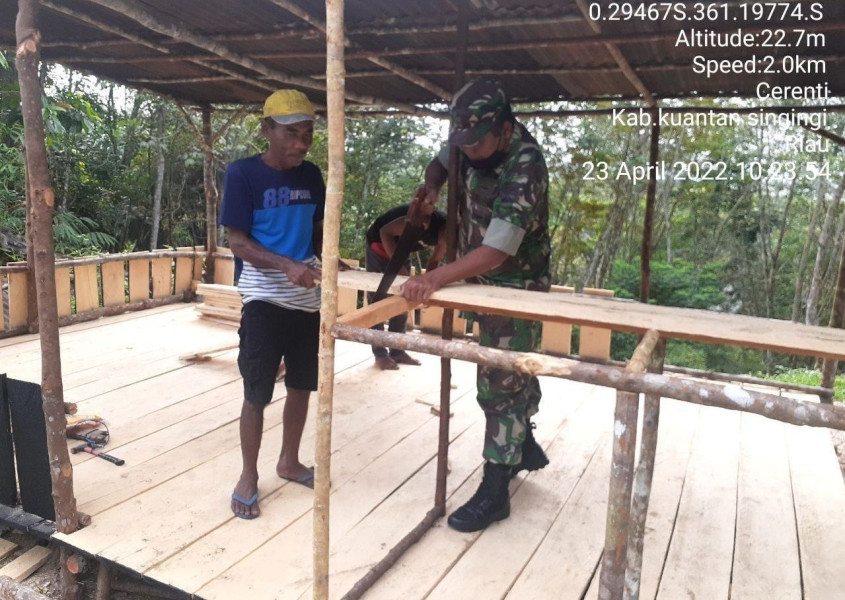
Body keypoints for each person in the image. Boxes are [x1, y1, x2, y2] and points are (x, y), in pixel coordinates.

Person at [400, 79, 551, 532]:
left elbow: (497, 250)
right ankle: (521, 445)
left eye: (478, 144)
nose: (470, 151)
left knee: (499, 382)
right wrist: (428, 190)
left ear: (504, 129)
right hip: (476, 280)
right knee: (510, 370)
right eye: (462, 142)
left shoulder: (526, 164)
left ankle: (495, 489)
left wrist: (433, 277)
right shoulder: (471, 136)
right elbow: (441, 162)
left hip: (513, 284)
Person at [220, 89, 324, 519]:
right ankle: (248, 474)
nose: (301, 143)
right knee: (257, 390)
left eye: (308, 134)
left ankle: (289, 461)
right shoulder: (243, 174)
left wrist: (324, 263)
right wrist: (285, 265)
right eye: (291, 133)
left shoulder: (312, 175)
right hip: (265, 295)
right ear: (267, 130)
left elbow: (318, 232)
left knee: (301, 384)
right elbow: (238, 242)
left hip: (308, 297)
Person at [365, 203, 447, 370]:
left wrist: (428, 289)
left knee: (403, 299)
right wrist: (400, 270)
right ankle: (380, 354)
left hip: (403, 250)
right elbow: (384, 233)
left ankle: (397, 351)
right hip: (379, 246)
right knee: (377, 300)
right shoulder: (419, 219)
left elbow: (433, 262)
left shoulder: (448, 236)